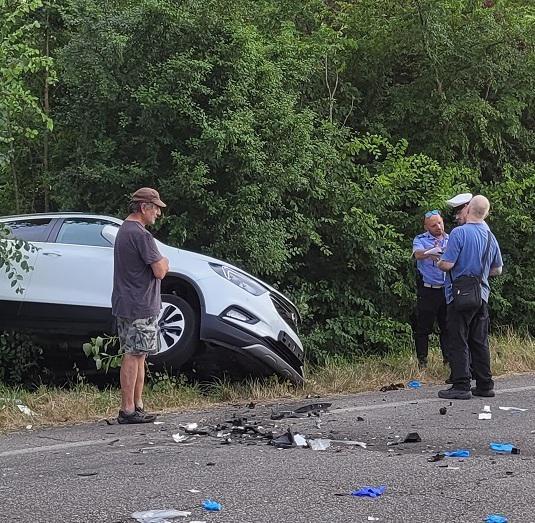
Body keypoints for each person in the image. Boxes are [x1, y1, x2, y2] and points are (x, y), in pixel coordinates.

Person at [112, 187, 169, 423]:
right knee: (134, 355)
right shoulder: (141, 235)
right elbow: (160, 270)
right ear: (144, 207)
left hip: (126, 303)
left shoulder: (124, 230)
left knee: (139, 354)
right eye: (155, 208)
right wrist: (165, 260)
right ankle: (128, 410)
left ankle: (137, 405)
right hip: (139, 305)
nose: (157, 213)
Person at [437, 195, 503, 400]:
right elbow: (497, 270)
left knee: (458, 338)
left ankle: (461, 384)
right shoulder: (490, 236)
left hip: (459, 294)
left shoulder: (459, 233)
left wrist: (439, 261)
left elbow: (447, 264)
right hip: (481, 294)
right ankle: (485, 384)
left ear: (468, 210)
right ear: (486, 213)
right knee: (479, 340)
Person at [412, 210, 449, 368]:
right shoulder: (421, 239)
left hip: (446, 289)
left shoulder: (451, 238)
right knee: (423, 327)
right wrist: (429, 253)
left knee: (447, 326)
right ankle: (422, 361)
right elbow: (417, 254)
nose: (438, 227)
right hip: (428, 289)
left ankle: (448, 359)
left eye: (440, 223)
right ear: (426, 227)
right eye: (433, 225)